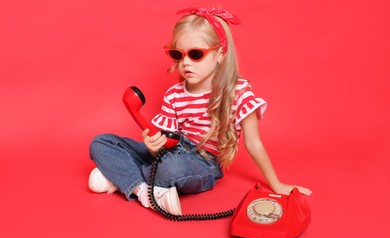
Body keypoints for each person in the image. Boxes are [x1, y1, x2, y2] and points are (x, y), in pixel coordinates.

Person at [88, 7, 312, 216]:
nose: (186, 63)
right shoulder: (174, 94)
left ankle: (118, 176)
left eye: (195, 54)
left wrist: (277, 185)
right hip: (171, 151)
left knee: (170, 168)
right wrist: (153, 145)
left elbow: (253, 143)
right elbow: (163, 148)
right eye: (178, 55)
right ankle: (143, 190)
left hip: (203, 163)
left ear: (220, 54)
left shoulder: (239, 92)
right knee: (101, 142)